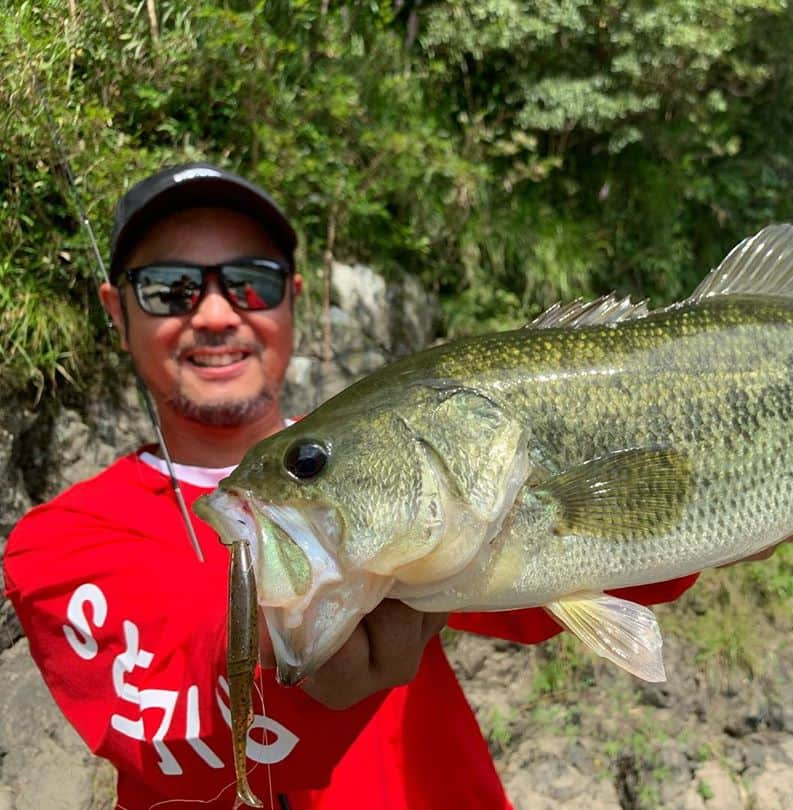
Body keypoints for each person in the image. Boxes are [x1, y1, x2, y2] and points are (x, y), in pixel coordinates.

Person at [2, 163, 706, 809]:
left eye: (252, 281)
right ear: (116, 310)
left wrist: (740, 494)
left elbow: (556, 588)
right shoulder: (59, 545)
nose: (215, 314)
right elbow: (162, 737)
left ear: (292, 302)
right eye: (169, 289)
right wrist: (285, 664)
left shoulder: (408, 449)